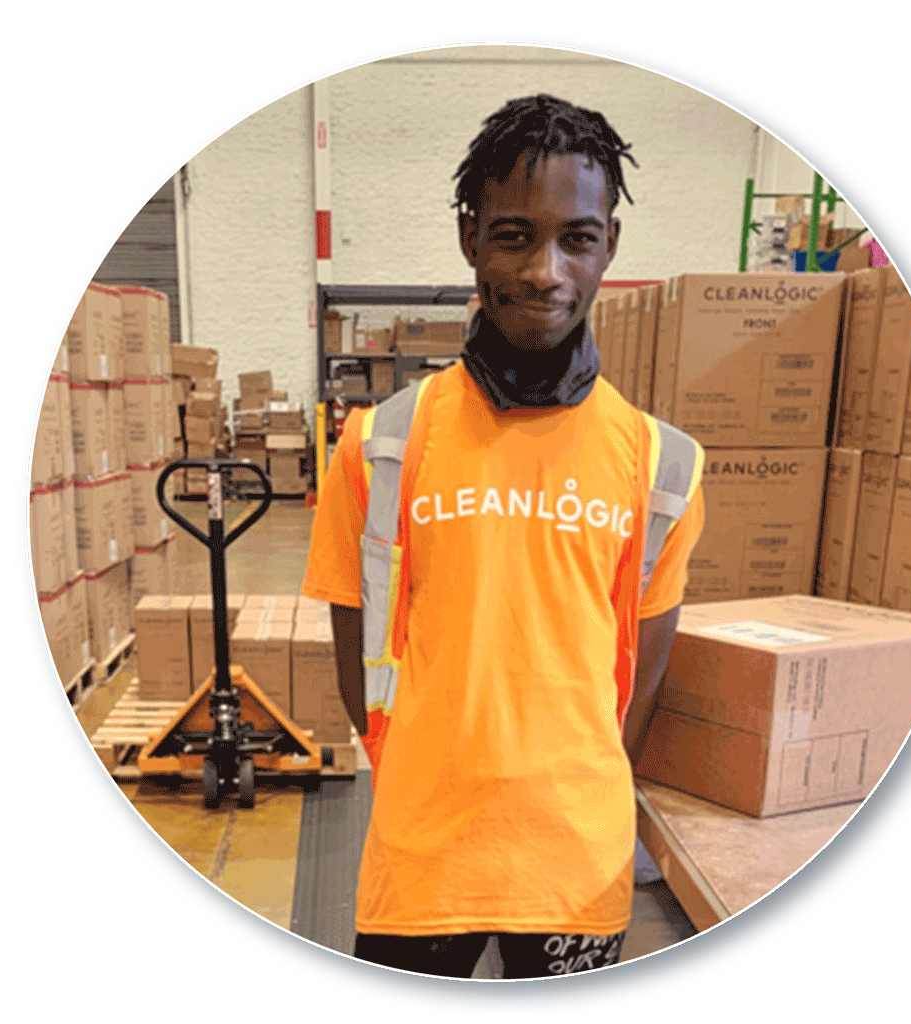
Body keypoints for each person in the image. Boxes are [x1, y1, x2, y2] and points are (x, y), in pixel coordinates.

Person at [302, 93, 705, 980]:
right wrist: (430, 771)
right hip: (421, 861)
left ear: (610, 248)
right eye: (515, 235)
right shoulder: (379, 449)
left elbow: (641, 680)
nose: (544, 272)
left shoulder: (660, 466)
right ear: (470, 237)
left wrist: (578, 794)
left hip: (575, 867)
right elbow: (351, 666)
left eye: (579, 238)